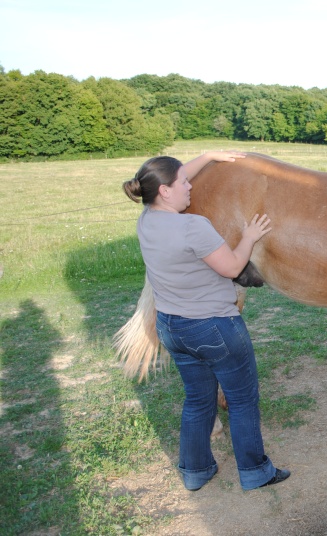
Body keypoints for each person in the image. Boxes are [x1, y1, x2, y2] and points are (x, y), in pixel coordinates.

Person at [122, 151, 290, 491]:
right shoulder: (193, 226)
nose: (190, 187)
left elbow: (171, 179)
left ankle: (196, 471)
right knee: (242, 399)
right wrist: (249, 237)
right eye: (184, 182)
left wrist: (207, 157)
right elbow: (230, 268)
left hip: (173, 327)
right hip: (214, 326)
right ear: (166, 191)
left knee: (197, 400)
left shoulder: (146, 219)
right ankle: (255, 471)